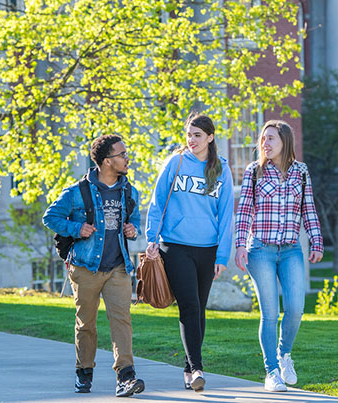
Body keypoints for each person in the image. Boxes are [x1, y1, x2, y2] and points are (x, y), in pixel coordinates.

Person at [42, 135, 146, 398]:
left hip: (118, 267)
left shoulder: (128, 190)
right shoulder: (78, 191)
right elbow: (50, 217)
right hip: (85, 267)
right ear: (106, 161)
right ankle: (84, 371)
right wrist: (76, 228)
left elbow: (134, 219)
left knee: (121, 320)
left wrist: (132, 229)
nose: (127, 158)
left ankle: (126, 376)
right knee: (86, 323)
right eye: (122, 154)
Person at [144, 113, 234, 393]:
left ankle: (188, 369)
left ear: (210, 137)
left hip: (207, 250)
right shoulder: (176, 162)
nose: (191, 140)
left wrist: (222, 256)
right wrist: (151, 238)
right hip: (176, 245)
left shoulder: (222, 169)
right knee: (190, 306)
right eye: (189, 134)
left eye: (197, 135)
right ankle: (197, 368)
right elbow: (158, 201)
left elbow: (225, 215)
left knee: (199, 309)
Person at [234, 120, 324, 391]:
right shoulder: (254, 171)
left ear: (285, 141)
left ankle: (284, 355)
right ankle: (271, 371)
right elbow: (245, 211)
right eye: (263, 138)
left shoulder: (301, 172)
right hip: (260, 249)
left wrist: (316, 241)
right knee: (270, 312)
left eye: (271, 138)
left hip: (291, 250)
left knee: (296, 309)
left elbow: (308, 209)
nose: (265, 143)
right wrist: (240, 245)